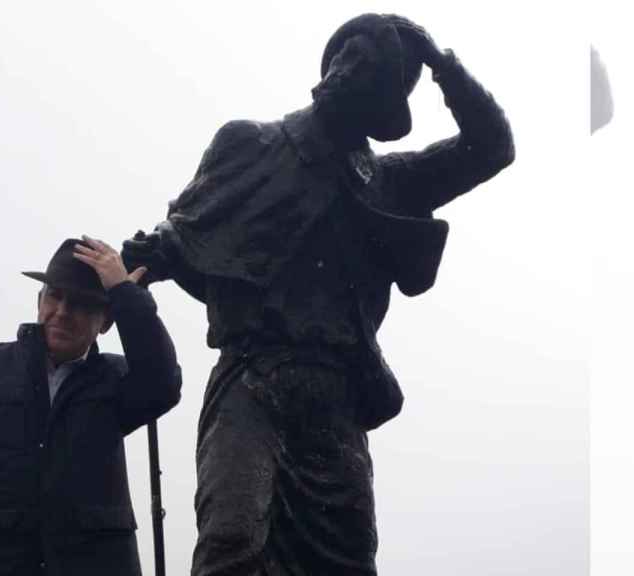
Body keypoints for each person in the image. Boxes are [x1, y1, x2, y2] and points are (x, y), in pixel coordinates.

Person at [122, 13, 514, 575]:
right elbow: (182, 234)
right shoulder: (250, 143)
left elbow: (493, 146)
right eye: (349, 57)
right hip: (251, 379)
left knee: (348, 560)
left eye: (373, 69)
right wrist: (120, 281)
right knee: (232, 540)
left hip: (335, 397)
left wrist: (438, 63)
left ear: (384, 102)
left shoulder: (388, 181)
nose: (351, 72)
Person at [0, 236, 181, 576]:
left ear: (106, 321)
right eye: (55, 296)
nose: (63, 312)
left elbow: (164, 385)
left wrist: (126, 293)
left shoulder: (119, 381)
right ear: (39, 300)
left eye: (81, 303)